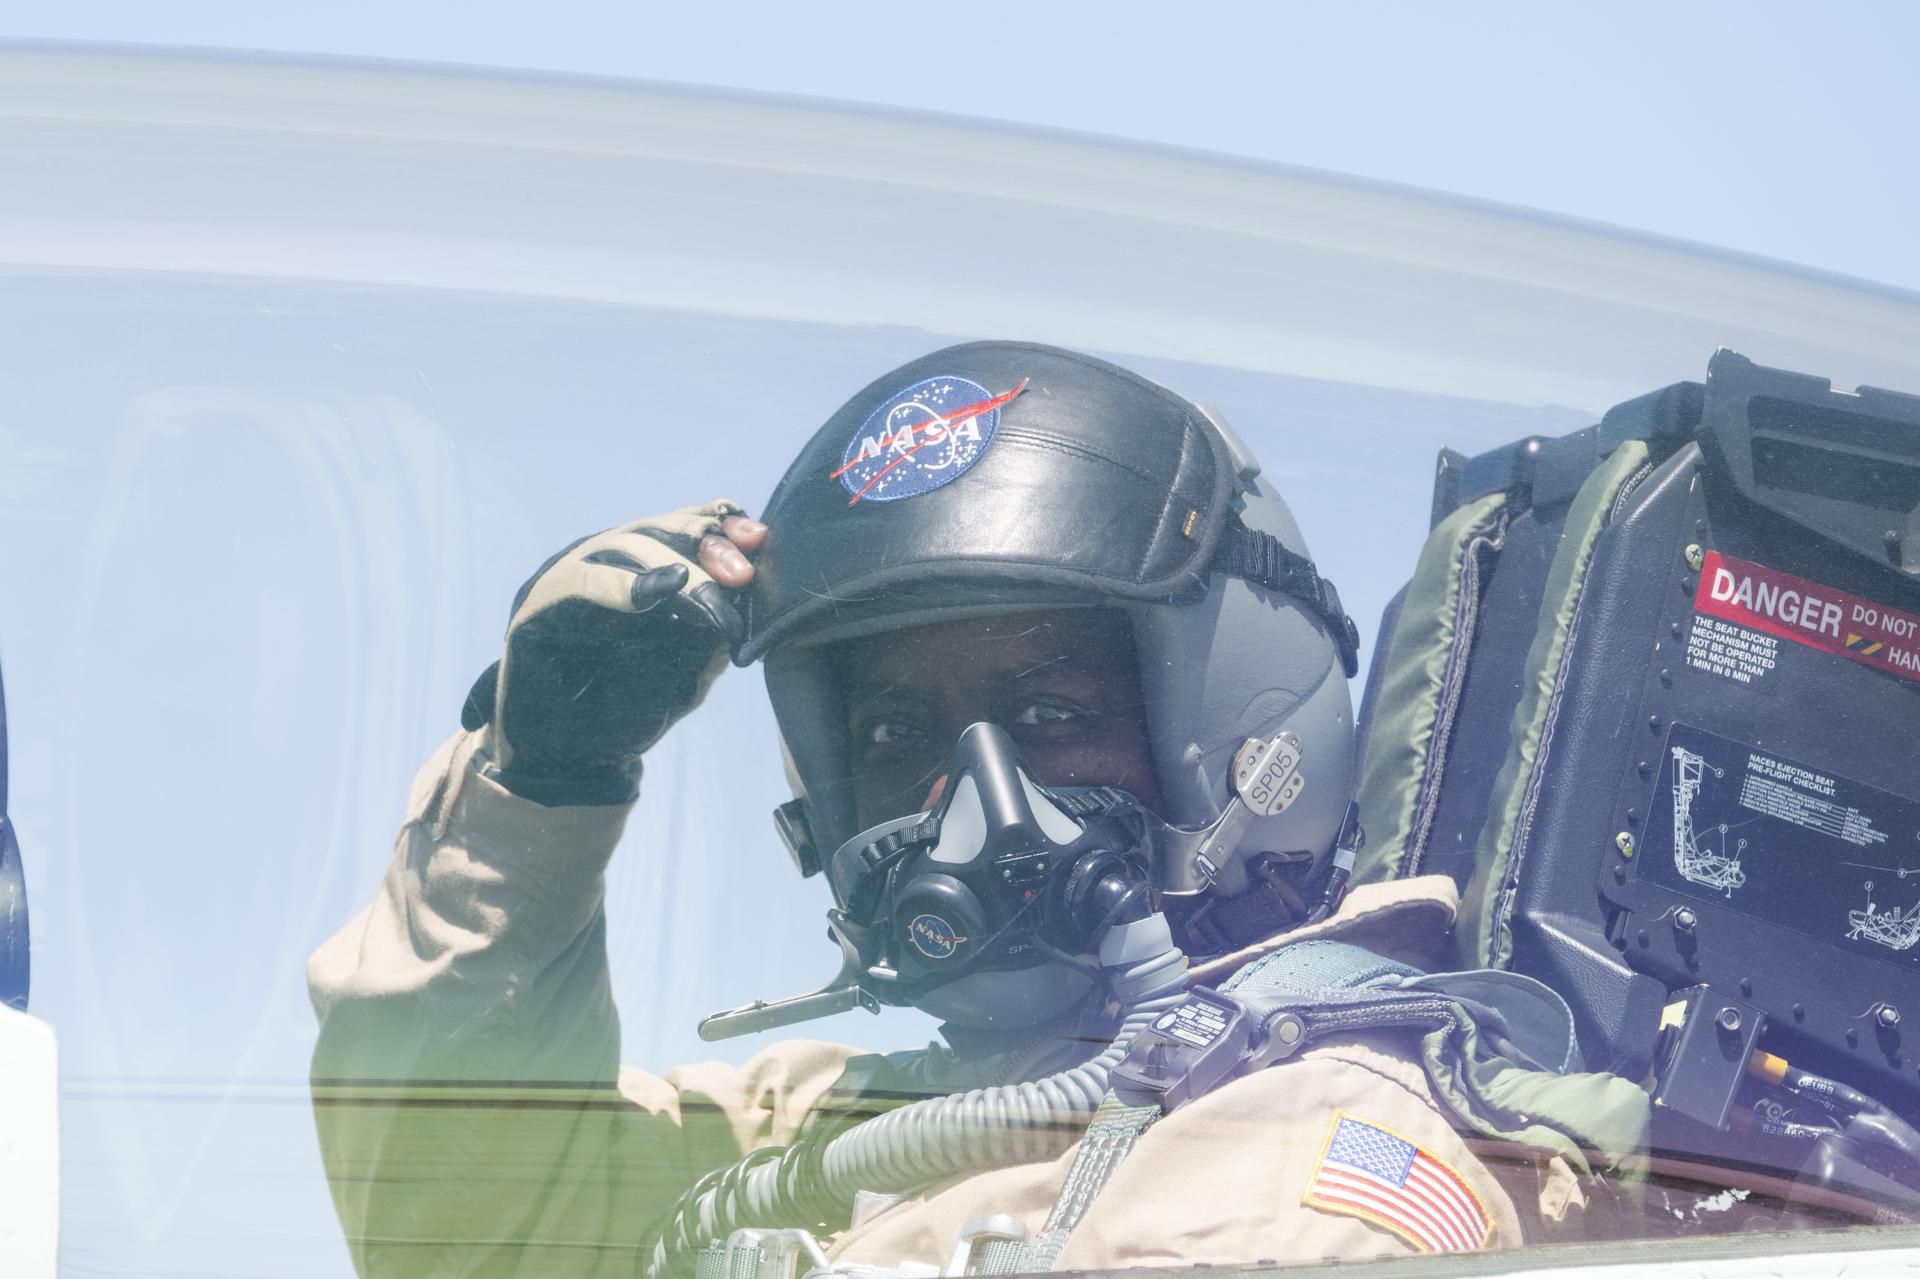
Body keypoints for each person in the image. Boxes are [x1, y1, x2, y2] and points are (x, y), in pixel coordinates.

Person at [308, 342, 1645, 1278]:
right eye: (894, 735)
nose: (974, 799)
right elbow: (462, 1234)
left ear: (1237, 732)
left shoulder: (1317, 1137)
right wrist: (537, 786)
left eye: (1055, 717)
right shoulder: (848, 1135)